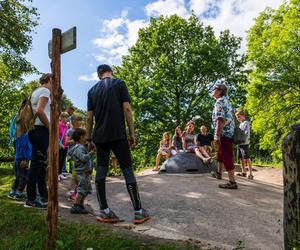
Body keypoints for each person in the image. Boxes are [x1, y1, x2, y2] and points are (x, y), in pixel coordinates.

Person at [86, 64, 149, 224]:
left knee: (101, 170)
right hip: (118, 134)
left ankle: (104, 211)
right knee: (127, 169)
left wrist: (88, 139)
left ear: (99, 75)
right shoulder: (119, 83)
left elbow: (89, 117)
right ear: (110, 72)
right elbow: (127, 109)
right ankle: (138, 211)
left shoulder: (92, 91)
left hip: (99, 137)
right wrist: (132, 132)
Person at [25, 73, 52, 208]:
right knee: (37, 164)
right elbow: (40, 111)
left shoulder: (35, 91)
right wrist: (50, 127)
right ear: (50, 80)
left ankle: (43, 196)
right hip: (40, 130)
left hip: (33, 130)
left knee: (41, 163)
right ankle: (31, 199)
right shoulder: (45, 91)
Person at [211, 83, 238, 189]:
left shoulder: (219, 101)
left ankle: (232, 182)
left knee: (226, 155)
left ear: (219, 91)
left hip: (224, 133)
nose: (212, 90)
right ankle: (219, 173)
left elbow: (220, 119)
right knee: (221, 153)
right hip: (229, 132)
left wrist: (217, 135)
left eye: (214, 89)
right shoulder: (227, 101)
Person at [68, 128, 95, 214]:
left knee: (86, 189)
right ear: (80, 138)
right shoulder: (79, 148)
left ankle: (80, 205)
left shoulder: (81, 147)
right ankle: (76, 205)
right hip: (82, 173)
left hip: (85, 172)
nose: (86, 138)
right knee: (82, 190)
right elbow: (84, 158)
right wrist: (91, 153)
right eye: (84, 136)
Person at [7, 132, 32, 200]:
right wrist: (23, 159)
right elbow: (22, 146)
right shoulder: (24, 135)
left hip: (19, 158)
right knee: (24, 177)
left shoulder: (21, 135)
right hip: (22, 159)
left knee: (19, 176)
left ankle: (13, 191)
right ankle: (19, 193)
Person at [66, 115, 83, 200]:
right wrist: (76, 140)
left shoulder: (82, 131)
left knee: (79, 173)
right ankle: (72, 192)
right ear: (73, 122)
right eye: (78, 120)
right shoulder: (70, 131)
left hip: (80, 154)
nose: (80, 122)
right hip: (73, 154)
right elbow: (66, 142)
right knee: (75, 173)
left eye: (80, 120)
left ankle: (76, 191)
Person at [235, 110, 253, 180]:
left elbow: (246, 133)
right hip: (239, 143)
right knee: (241, 158)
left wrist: (242, 139)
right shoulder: (240, 124)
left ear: (243, 116)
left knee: (247, 157)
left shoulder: (246, 123)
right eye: (237, 117)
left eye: (238, 117)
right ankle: (243, 172)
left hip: (244, 143)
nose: (238, 118)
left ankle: (250, 173)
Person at [58, 112, 69, 181]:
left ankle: (60, 173)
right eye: (65, 117)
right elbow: (57, 135)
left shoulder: (66, 126)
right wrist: (59, 143)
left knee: (62, 160)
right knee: (59, 159)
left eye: (67, 117)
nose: (66, 119)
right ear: (61, 117)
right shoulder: (59, 124)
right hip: (60, 145)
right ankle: (56, 174)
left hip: (65, 145)